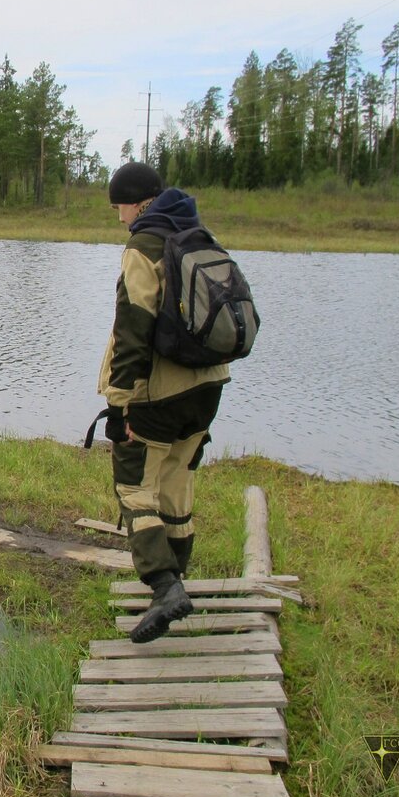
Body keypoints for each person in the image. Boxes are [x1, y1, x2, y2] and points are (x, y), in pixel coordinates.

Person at [99, 162, 230, 643]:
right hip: (209, 385)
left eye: (120, 207)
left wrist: (118, 403)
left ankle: (163, 584)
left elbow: (133, 326)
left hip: (161, 391)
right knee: (175, 481)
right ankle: (176, 582)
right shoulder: (197, 233)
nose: (120, 218)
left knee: (135, 486)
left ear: (139, 203)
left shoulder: (144, 246)